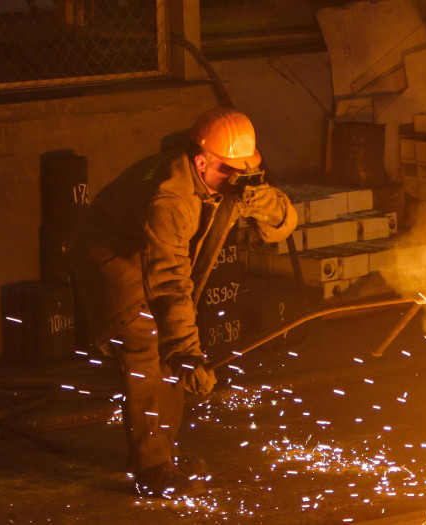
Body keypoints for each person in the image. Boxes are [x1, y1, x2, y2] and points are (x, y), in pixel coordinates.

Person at [73, 107, 297, 498]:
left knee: (172, 352)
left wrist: (269, 206)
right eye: (231, 170)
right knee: (147, 347)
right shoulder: (171, 198)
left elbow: (284, 223)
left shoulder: (222, 178)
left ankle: (163, 457)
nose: (239, 178)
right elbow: (169, 281)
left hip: (151, 255)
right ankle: (151, 469)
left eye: (246, 170)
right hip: (111, 257)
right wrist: (187, 352)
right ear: (200, 161)